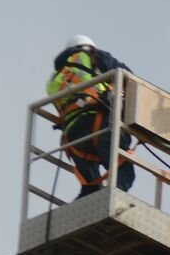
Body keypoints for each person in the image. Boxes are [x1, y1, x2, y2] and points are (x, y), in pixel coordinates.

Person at [47, 35, 136, 199]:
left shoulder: (55, 79)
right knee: (124, 171)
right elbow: (129, 77)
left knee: (90, 186)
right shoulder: (93, 56)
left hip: (73, 137)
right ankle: (112, 199)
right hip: (99, 123)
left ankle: (80, 211)